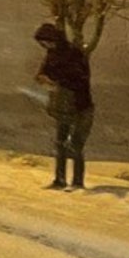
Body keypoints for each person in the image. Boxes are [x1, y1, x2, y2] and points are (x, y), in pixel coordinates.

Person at [33, 23, 94, 190]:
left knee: (75, 145)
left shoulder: (73, 53)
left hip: (79, 105)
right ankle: (60, 179)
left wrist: (56, 80)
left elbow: (80, 78)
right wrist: (43, 78)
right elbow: (42, 72)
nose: (45, 46)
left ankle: (77, 182)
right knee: (60, 143)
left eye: (46, 42)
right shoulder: (51, 55)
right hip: (62, 106)